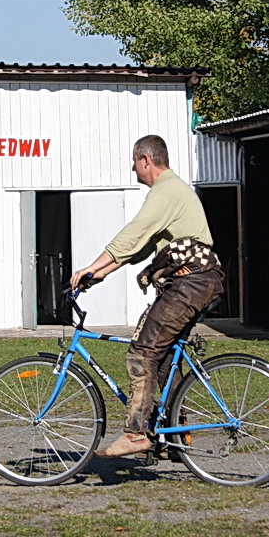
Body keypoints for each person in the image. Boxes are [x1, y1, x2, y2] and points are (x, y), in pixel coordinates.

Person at [70, 134, 224, 458]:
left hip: (190, 283)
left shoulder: (166, 191)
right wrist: (99, 274)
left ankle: (136, 434)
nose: (132, 168)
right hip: (197, 282)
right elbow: (139, 249)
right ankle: (176, 437)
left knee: (142, 352)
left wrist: (92, 264)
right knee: (164, 359)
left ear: (146, 160)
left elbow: (134, 233)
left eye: (134, 161)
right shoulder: (172, 191)